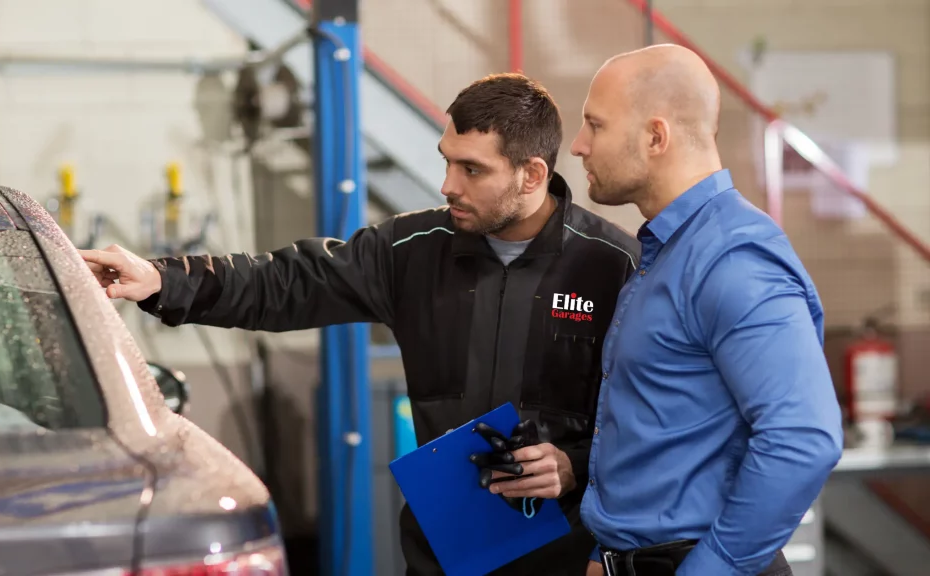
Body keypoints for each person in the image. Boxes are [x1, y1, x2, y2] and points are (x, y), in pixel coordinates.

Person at [80, 73, 640, 576]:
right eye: (446, 160)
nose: (447, 185)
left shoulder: (614, 267)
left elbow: (659, 419)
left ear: (532, 174)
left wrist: (577, 464)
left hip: (568, 557)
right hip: (446, 554)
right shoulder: (412, 250)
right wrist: (160, 280)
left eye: (472, 169)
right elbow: (283, 282)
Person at [569, 45, 844, 576]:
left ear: (655, 136)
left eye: (594, 126)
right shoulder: (665, 255)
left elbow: (803, 438)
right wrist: (609, 554)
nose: (579, 147)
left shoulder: (731, 259)